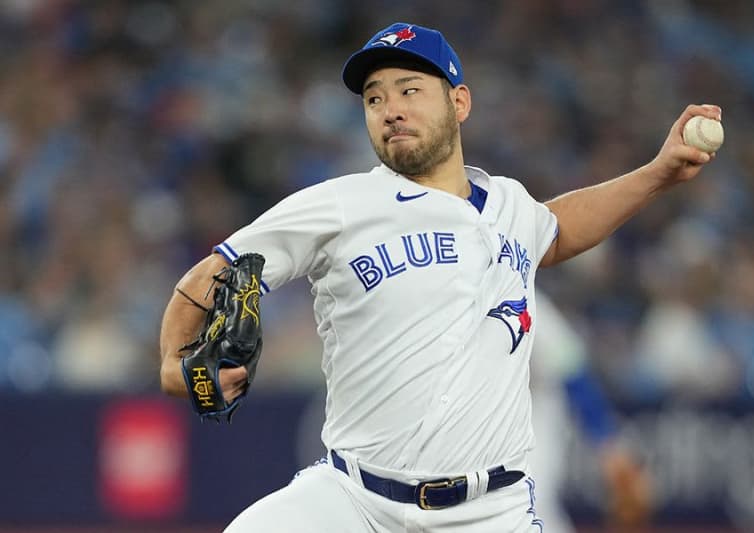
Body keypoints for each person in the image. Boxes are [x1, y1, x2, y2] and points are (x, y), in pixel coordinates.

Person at [159, 21, 720, 532]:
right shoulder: (341, 205)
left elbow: (559, 229)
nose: (390, 109)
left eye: (409, 91)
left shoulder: (510, 206)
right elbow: (213, 272)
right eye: (374, 98)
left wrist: (658, 173)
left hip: (490, 513)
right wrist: (173, 366)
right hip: (353, 501)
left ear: (459, 102)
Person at [529, 293, 651, 533]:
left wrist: (608, 443)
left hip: (530, 431)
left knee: (532, 505)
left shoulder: (520, 292)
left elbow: (570, 367)